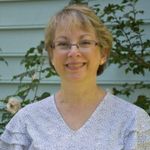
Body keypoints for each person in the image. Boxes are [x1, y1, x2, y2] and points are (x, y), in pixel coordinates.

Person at [0, 4, 150, 150]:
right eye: (63, 44)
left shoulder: (133, 122)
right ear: (52, 55)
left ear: (103, 53)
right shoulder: (25, 122)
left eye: (84, 42)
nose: (73, 52)